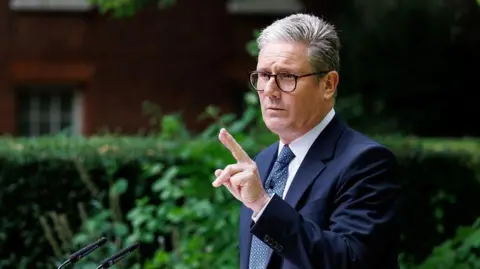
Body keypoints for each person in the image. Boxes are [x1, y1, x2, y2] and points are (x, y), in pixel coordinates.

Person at [212, 13, 403, 269]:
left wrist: (263, 205)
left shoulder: (366, 163)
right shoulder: (265, 160)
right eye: (264, 75)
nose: (270, 90)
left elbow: (352, 261)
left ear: (328, 84)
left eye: (287, 77)